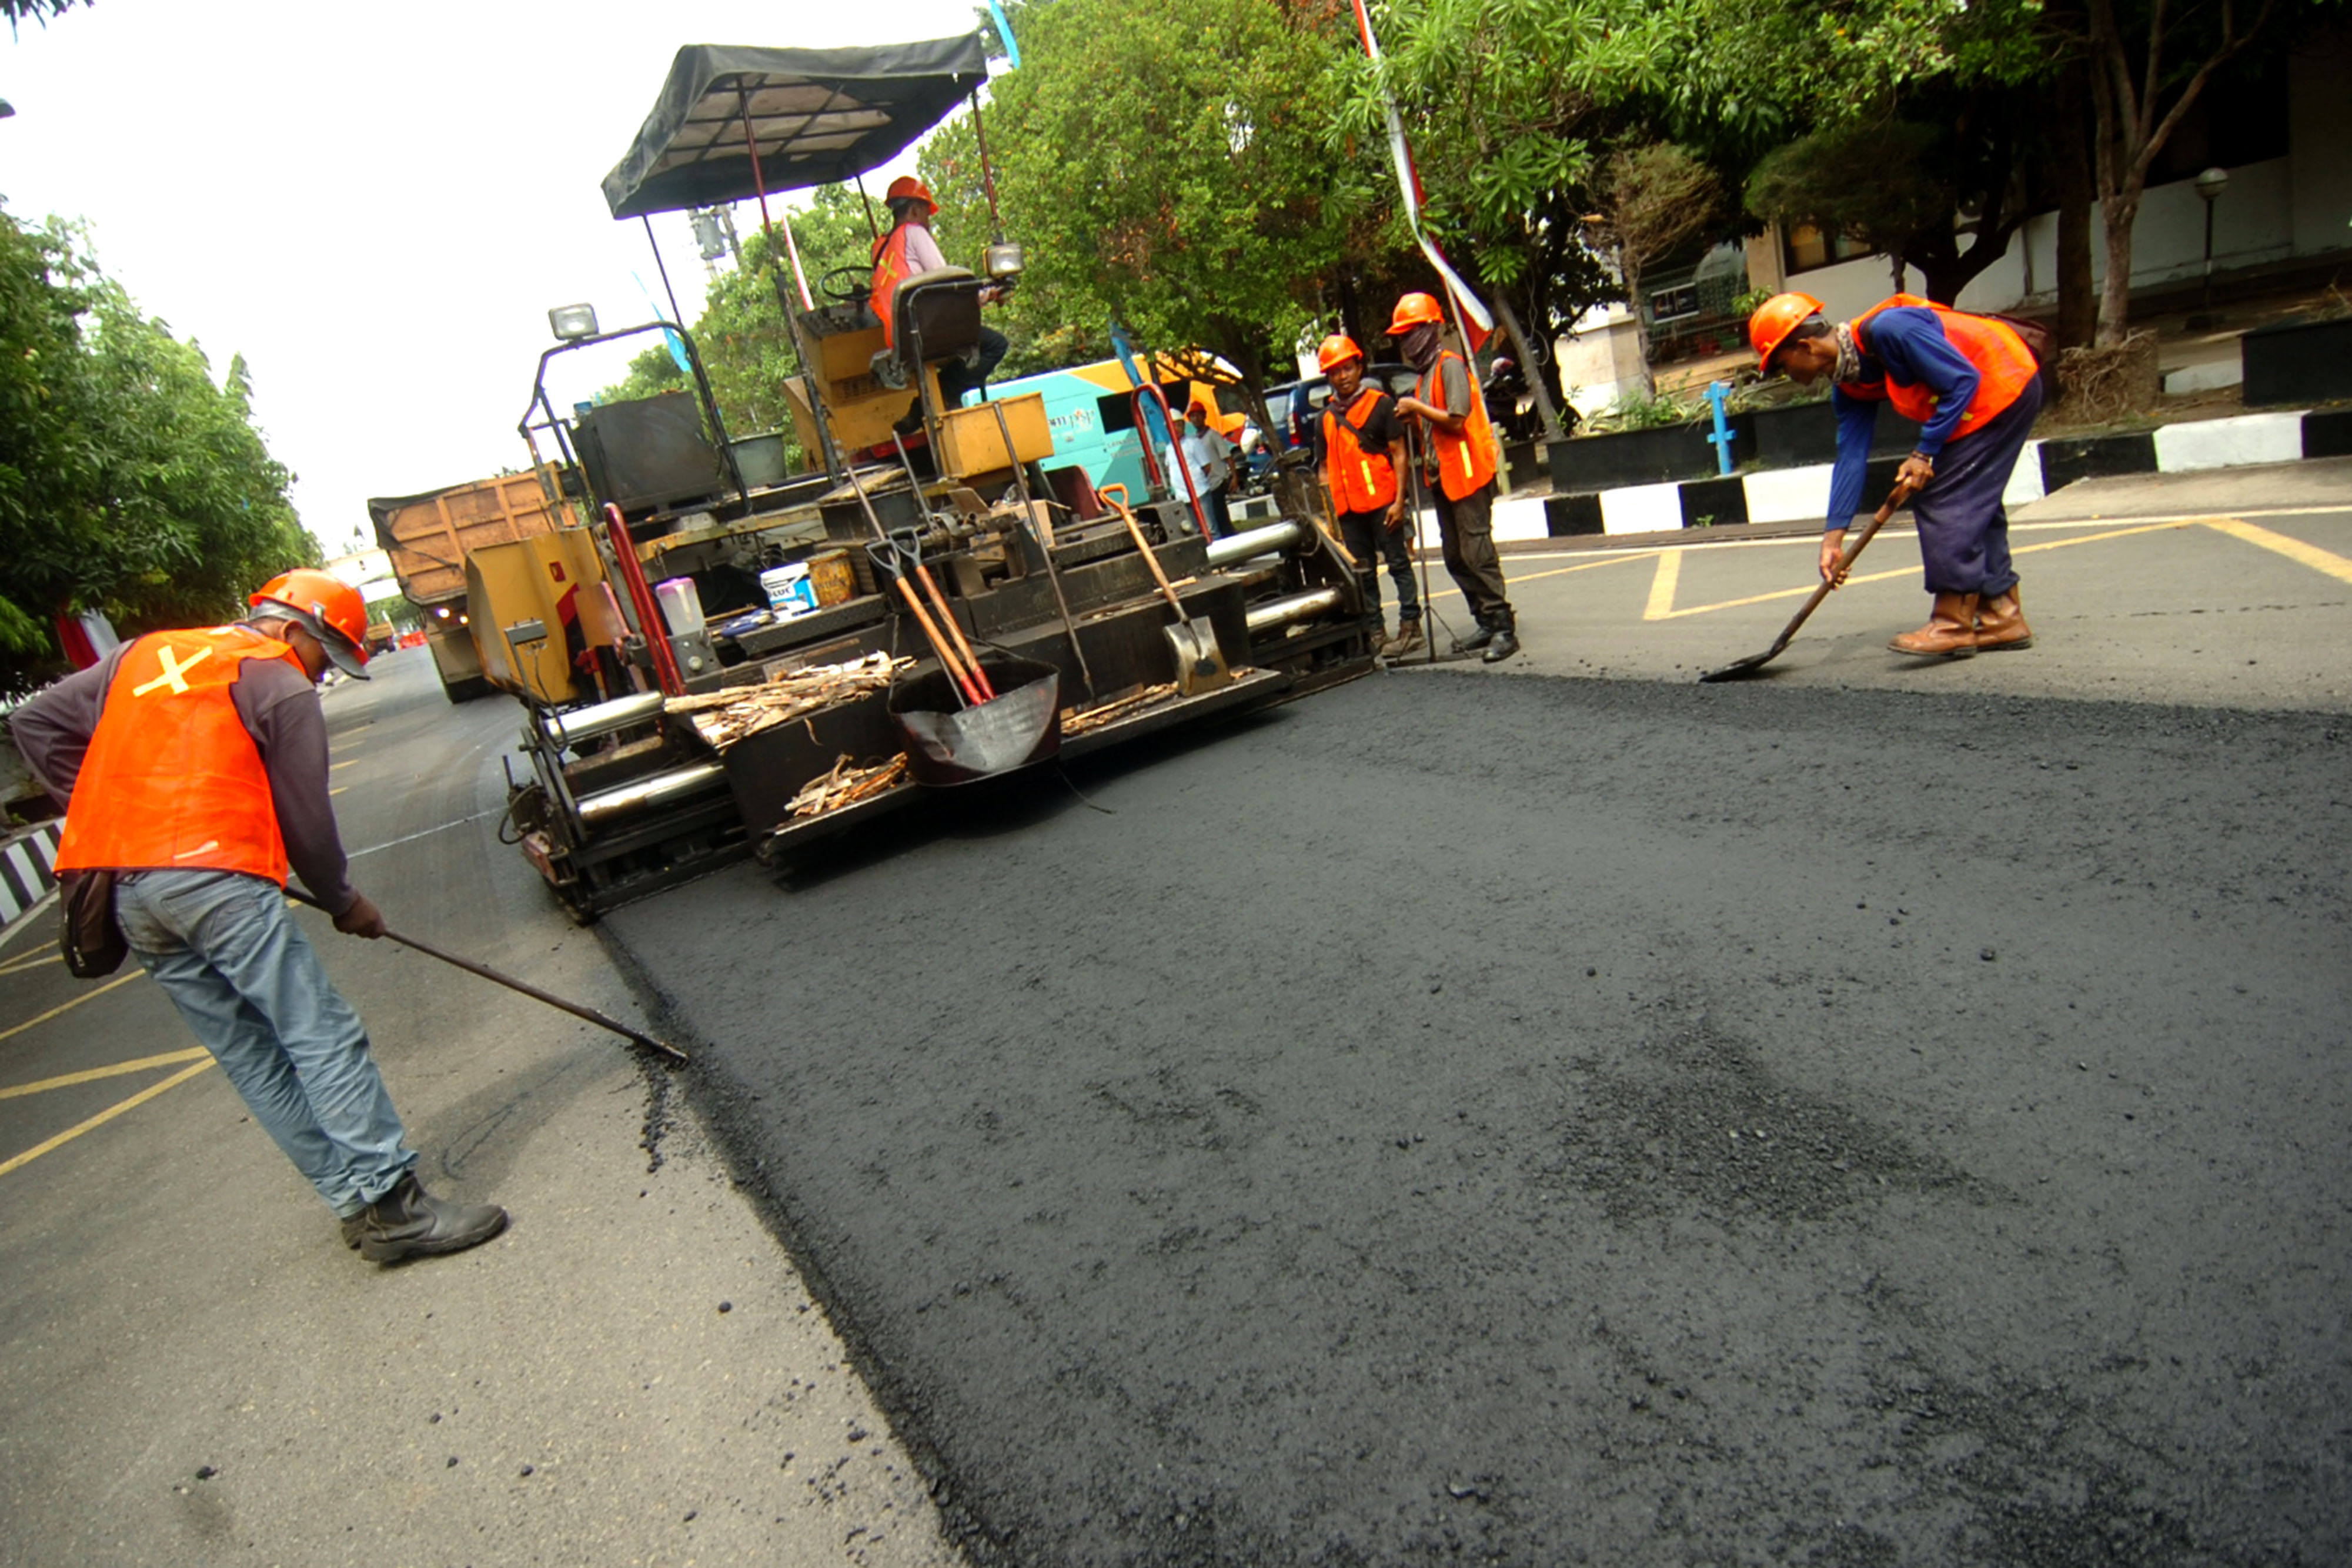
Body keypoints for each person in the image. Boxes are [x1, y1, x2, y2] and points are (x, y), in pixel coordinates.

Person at [10, 569, 510, 1265]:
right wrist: (343, 901)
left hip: (130, 890)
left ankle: (354, 1206)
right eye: (321, 658)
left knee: (248, 1054)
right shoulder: (278, 680)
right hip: (215, 883)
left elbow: (33, 722)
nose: (316, 677)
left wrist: (112, 807)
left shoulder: (143, 653)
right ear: (293, 630)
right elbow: (308, 820)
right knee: (319, 1035)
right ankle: (398, 1205)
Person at [1748, 290, 2044, 657]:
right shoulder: (1850, 385)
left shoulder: (1890, 330)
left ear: (1805, 347)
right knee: (1974, 502)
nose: (1785, 375)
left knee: (1945, 497)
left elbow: (1963, 380)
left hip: (2003, 382)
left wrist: (1924, 453)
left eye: (1780, 365)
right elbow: (1851, 458)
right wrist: (1833, 538)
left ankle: (1953, 623)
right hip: (1979, 402)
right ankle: (2003, 617)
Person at [1389, 292, 1518, 663]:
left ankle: (1504, 627)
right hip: (1443, 477)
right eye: (1402, 336)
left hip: (1468, 473)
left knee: (1476, 552)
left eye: (1412, 332)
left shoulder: (1450, 366)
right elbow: (1433, 425)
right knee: (1454, 556)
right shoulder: (1423, 378)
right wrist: (1414, 418)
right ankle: (1484, 619)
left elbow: (1457, 419)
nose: (1407, 342)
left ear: (1431, 330)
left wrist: (1417, 408)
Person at [869, 175, 1009, 434]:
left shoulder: (879, 248)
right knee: (995, 345)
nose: (928, 223)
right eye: (926, 215)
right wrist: (986, 294)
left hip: (899, 339)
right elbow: (947, 285)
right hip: (930, 331)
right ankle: (932, 400)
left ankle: (930, 402)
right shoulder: (914, 233)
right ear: (914, 210)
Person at [1314, 333, 1424, 657]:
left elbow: (1399, 453)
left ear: (1359, 367)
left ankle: (1410, 627)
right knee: (1362, 574)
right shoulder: (1325, 419)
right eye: (1335, 372)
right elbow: (1324, 468)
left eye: (1347, 368)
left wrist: (1399, 502)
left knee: (1398, 564)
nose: (1342, 376)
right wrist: (1331, 516)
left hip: (1383, 505)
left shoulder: (1381, 405)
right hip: (1348, 511)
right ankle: (1375, 629)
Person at [1163, 396, 1237, 540]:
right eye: (1172, 426)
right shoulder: (1170, 448)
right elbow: (1169, 468)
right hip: (1183, 496)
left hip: (1203, 490)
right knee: (1196, 530)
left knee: (1212, 527)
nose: (1176, 429)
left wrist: (1233, 476)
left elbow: (1208, 466)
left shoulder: (1195, 442)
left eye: (1178, 425)